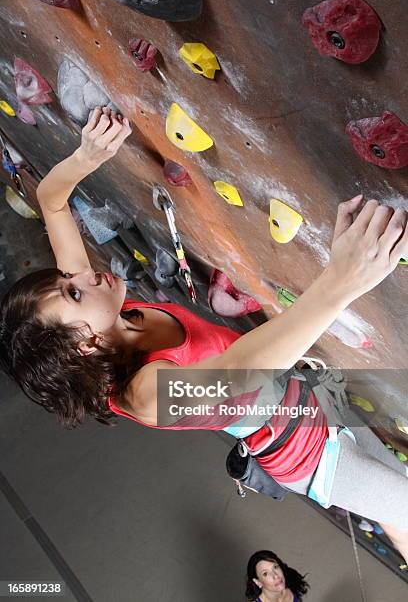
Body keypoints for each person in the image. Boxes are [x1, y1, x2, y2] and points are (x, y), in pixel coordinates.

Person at [1, 107, 408, 561]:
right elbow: (241, 372)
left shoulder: (105, 312)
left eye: (67, 281)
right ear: (87, 344)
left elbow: (52, 200)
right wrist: (342, 279)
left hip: (313, 398)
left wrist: (87, 155)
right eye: (72, 294)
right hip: (312, 456)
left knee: (397, 506)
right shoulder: (146, 396)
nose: (83, 276)